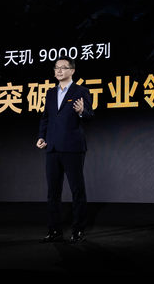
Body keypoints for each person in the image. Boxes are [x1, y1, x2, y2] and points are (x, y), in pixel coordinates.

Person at [36, 56, 94, 243]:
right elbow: (46, 118)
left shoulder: (82, 91)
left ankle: (78, 230)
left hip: (72, 147)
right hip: (52, 147)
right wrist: (41, 137)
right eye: (56, 68)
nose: (59, 71)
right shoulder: (50, 93)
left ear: (72, 70)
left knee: (77, 190)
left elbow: (90, 115)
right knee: (53, 192)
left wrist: (81, 112)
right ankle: (54, 230)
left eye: (63, 67)